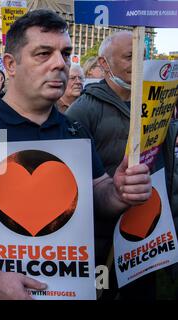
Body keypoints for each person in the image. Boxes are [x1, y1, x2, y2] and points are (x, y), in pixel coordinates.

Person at [0, 10, 152, 300]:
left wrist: (117, 192)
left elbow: (95, 193)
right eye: (43, 53)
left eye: (65, 53)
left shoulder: (75, 130)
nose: (60, 64)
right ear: (10, 65)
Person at [66, 31, 178, 300]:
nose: (139, 64)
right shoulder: (82, 111)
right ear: (104, 64)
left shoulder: (156, 102)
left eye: (143, 56)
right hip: (104, 237)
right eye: (130, 57)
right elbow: (74, 182)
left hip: (149, 231)